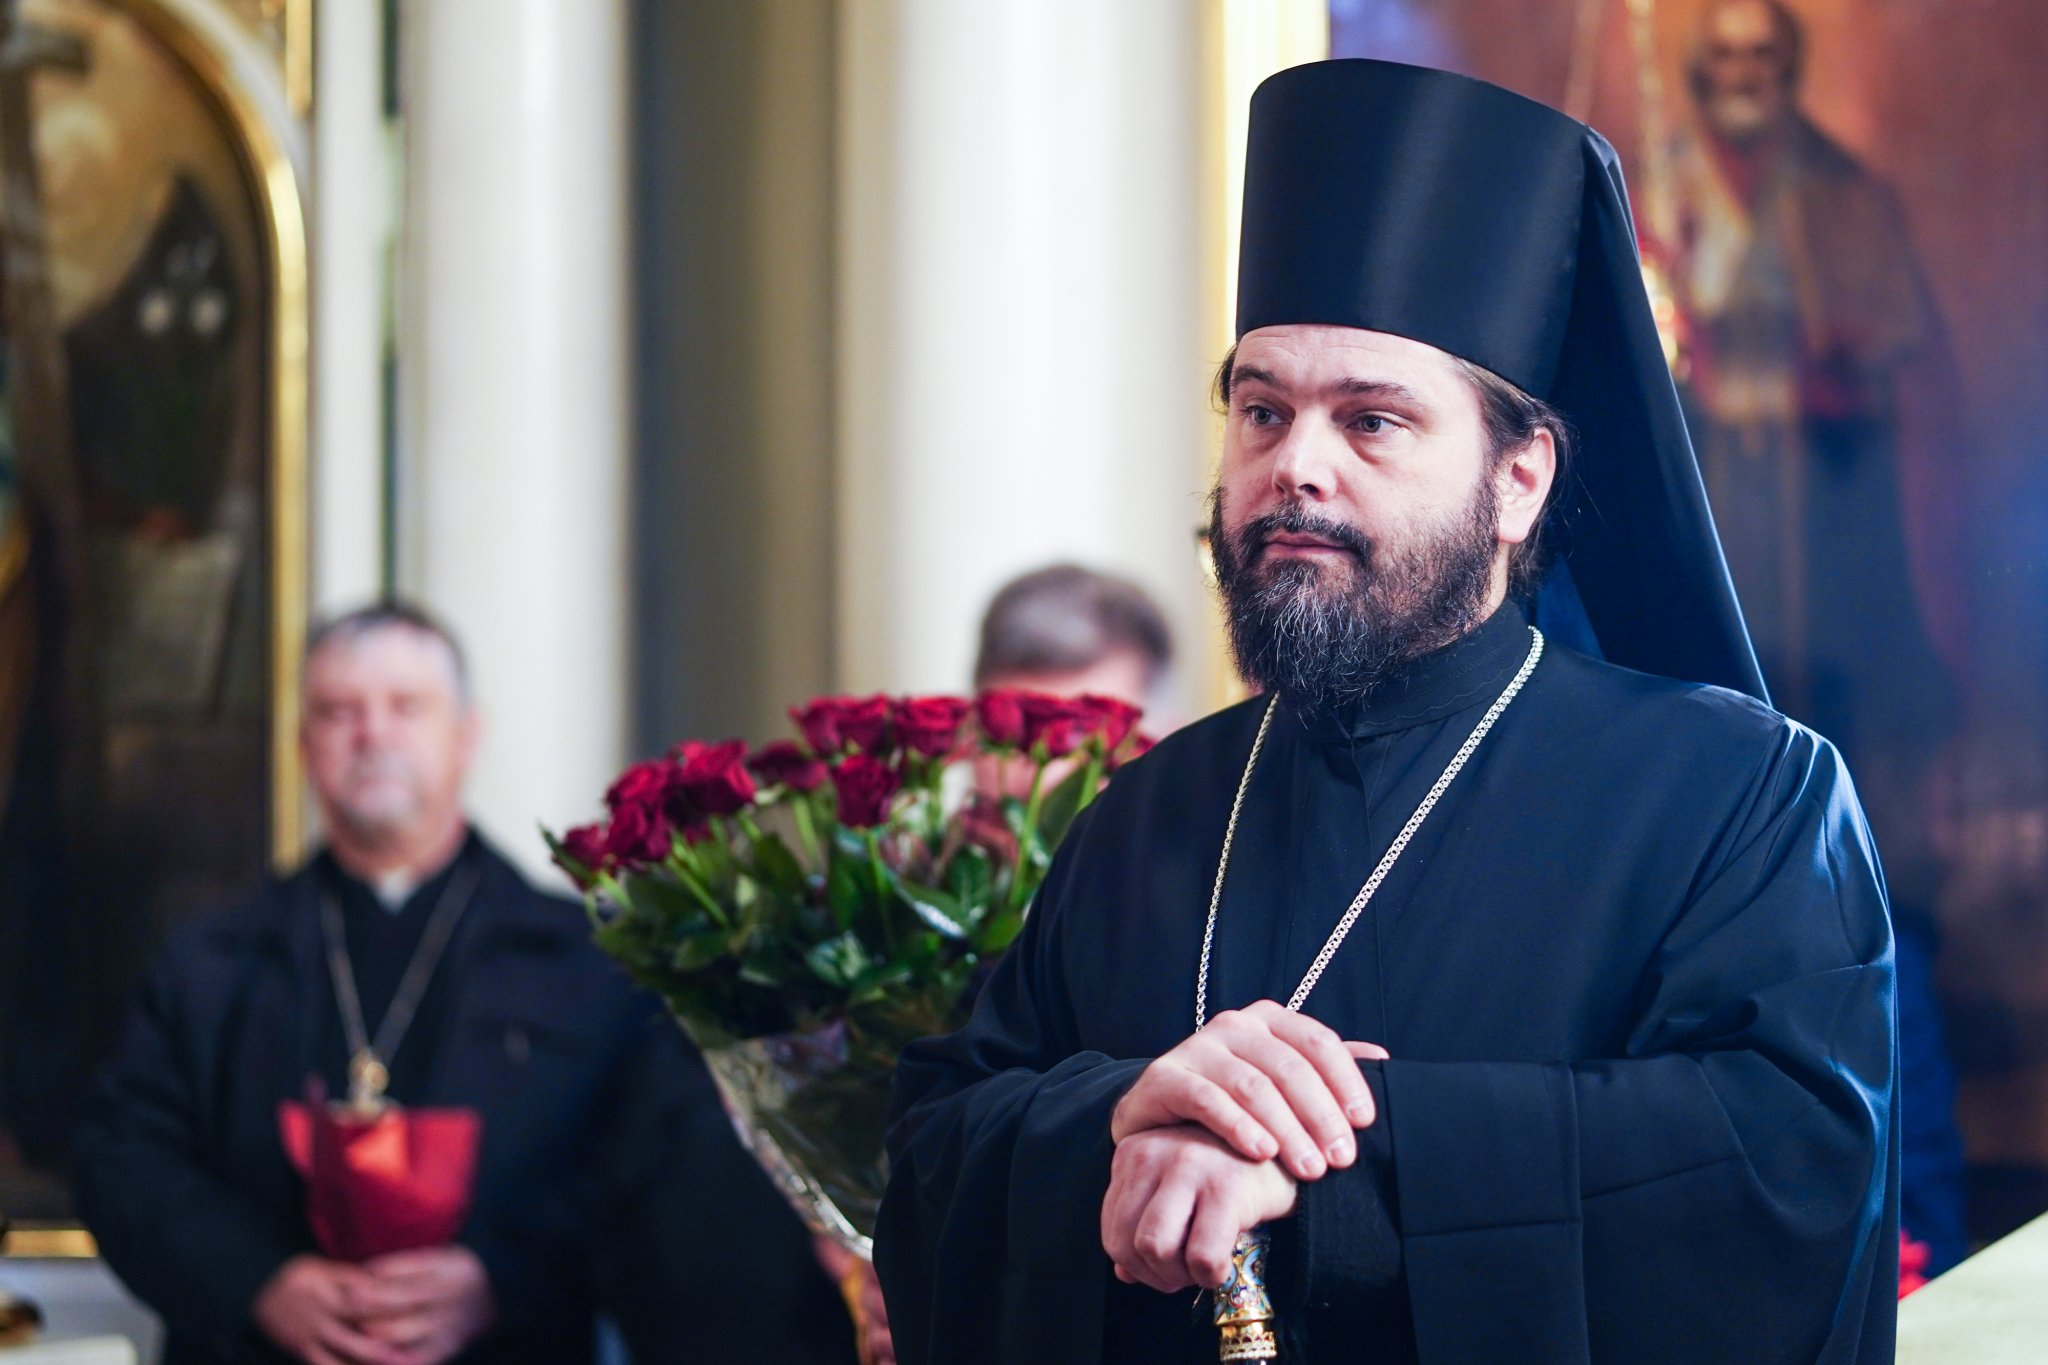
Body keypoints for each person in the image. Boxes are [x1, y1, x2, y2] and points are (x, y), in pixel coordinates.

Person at [876, 59, 1896, 1363]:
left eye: (1372, 421)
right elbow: (935, 1149)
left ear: (1519, 479)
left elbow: (1783, 1174)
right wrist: (1127, 1116)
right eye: (1262, 410)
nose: (1295, 463)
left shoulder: (1740, 796)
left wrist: (1337, 1166)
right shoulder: (1147, 812)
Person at [73, 602, 853, 1365]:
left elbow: (648, 1173)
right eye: (339, 710)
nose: (371, 733)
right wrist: (260, 1282)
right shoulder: (210, 962)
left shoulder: (592, 962)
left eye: (404, 706)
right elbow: (122, 1157)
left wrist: (499, 1278)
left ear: (464, 735)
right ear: (305, 743)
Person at [1655, 0, 1968, 1274]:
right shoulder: (1659, 195)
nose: (1739, 83)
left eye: (1759, 62)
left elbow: (1891, 354)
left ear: (1787, 72)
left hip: (1822, 537)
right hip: (1709, 527)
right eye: (1717, 63)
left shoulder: (1841, 194)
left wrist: (1795, 379)